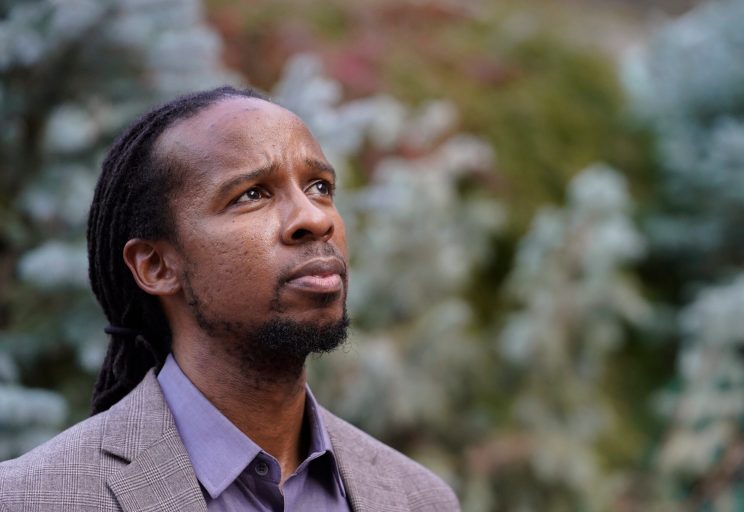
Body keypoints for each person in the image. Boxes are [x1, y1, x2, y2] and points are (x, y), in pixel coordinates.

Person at [0, 87, 460, 511]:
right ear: (157, 266)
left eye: (319, 187)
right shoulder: (32, 499)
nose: (314, 219)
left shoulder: (419, 498)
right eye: (252, 194)